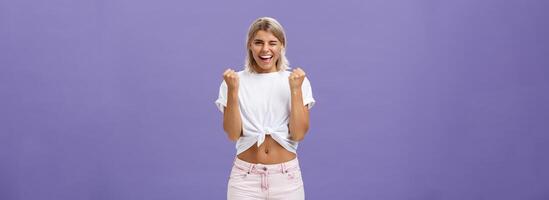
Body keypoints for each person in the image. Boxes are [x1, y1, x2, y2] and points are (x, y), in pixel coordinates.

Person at [215, 17, 316, 200]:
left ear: (282, 46)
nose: (265, 49)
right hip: (245, 180)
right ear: (249, 45)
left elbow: (299, 134)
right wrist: (233, 91)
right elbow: (232, 134)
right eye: (258, 42)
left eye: (273, 43)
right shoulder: (234, 81)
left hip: (286, 179)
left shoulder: (296, 80)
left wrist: (295, 90)